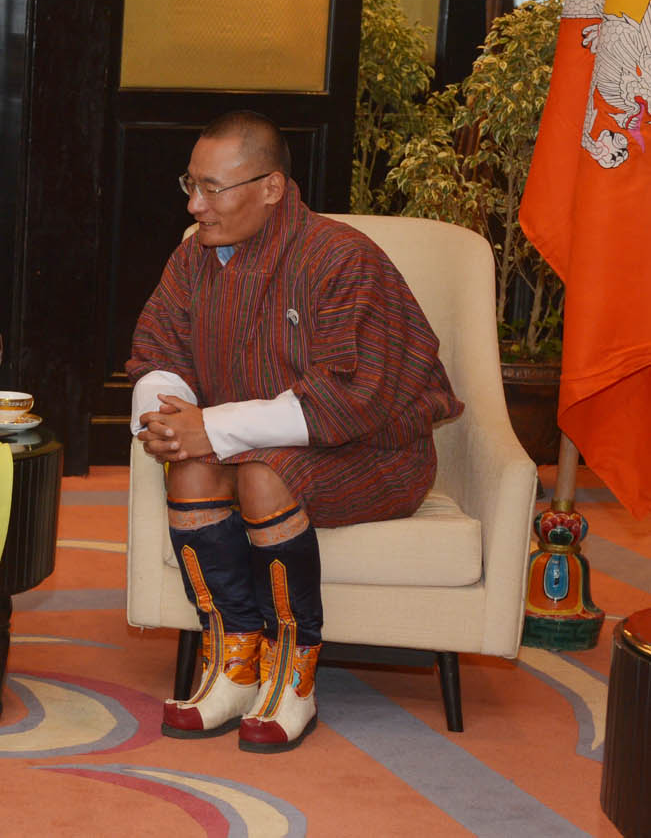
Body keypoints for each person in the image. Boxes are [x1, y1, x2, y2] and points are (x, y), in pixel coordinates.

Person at [127, 111, 460, 753]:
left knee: (260, 471)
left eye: (213, 188)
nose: (196, 205)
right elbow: (159, 344)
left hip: (376, 452)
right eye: (189, 185)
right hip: (258, 445)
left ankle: (293, 675)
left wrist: (210, 427)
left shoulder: (339, 258)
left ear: (272, 187)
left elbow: (344, 398)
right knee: (193, 465)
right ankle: (232, 658)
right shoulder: (194, 255)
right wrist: (166, 417)